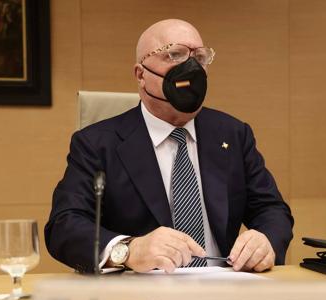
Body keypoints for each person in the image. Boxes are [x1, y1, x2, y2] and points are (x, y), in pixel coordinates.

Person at [45, 19, 293, 274]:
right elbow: (64, 225)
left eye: (200, 57)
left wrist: (265, 240)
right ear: (141, 75)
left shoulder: (233, 133)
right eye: (175, 55)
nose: (191, 67)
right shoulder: (96, 144)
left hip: (224, 292)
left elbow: (271, 209)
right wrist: (129, 250)